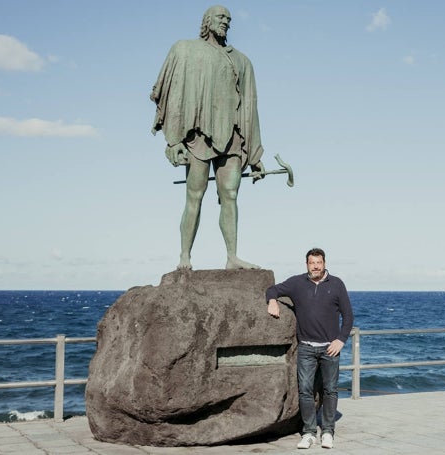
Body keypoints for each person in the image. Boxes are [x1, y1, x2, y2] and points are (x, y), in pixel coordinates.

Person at [150, 5, 266, 270]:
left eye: (229, 19)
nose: (225, 22)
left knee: (230, 193)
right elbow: (172, 92)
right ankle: (184, 258)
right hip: (198, 135)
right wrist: (175, 141)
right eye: (221, 17)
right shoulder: (186, 50)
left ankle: (232, 257)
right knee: (194, 194)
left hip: (233, 136)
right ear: (207, 21)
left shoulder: (242, 61)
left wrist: (256, 155)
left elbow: (250, 107)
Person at [265, 248, 354, 450]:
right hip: (306, 348)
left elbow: (348, 316)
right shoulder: (297, 283)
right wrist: (271, 301)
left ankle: (328, 432)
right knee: (305, 391)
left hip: (330, 349)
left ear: (324, 263)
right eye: (312, 263)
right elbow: (272, 289)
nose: (315, 266)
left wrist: (340, 340)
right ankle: (309, 433)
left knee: (330, 390)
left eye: (319, 263)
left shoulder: (337, 284)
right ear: (306, 264)